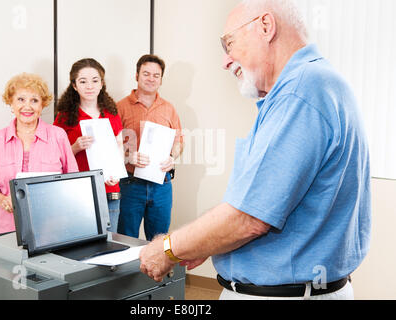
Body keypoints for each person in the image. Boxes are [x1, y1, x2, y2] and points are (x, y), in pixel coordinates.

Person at [139, 0, 371, 300]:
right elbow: (252, 200)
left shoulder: (300, 92)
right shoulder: (313, 84)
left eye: (229, 43)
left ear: (266, 26)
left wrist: (169, 248)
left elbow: (248, 218)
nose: (225, 61)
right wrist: (204, 242)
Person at [0, 73, 78, 234]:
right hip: (9, 228)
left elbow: (74, 180)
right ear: (10, 103)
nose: (27, 106)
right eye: (21, 99)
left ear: (43, 105)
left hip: (53, 227)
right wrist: (1, 199)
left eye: (34, 100)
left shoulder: (58, 135)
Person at [117, 54, 184, 241]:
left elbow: (179, 141)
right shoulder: (120, 107)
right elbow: (111, 146)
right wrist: (129, 157)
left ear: (161, 79)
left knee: (159, 242)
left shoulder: (169, 108)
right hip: (130, 184)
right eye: (146, 74)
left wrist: (173, 156)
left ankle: (155, 272)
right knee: (126, 240)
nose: (151, 79)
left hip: (161, 185)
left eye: (156, 75)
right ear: (136, 75)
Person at [54, 58, 124, 232]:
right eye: (83, 81)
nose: (90, 86)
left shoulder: (112, 113)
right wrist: (75, 147)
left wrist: (116, 173)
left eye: (95, 80)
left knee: (110, 242)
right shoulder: (64, 116)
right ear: (75, 86)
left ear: (102, 84)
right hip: (78, 191)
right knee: (81, 244)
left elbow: (119, 146)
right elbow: (54, 157)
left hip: (109, 187)